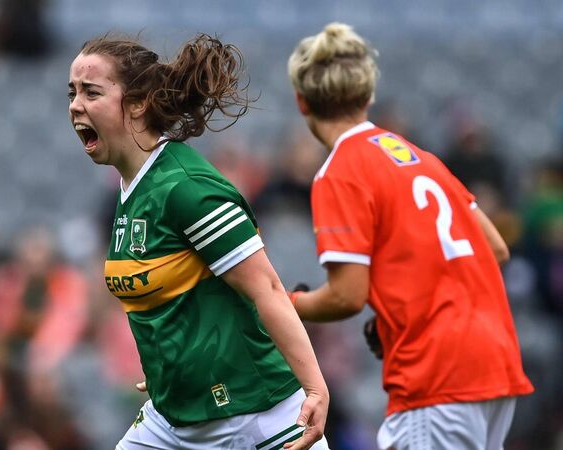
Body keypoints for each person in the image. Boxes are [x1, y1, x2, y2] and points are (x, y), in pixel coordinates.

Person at [68, 33, 330, 450]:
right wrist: (171, 367)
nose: (75, 105)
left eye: (91, 92)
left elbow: (267, 288)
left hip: (256, 417)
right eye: (73, 93)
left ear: (137, 103)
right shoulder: (131, 188)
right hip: (173, 418)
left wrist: (315, 388)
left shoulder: (187, 188)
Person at [286, 22, 534, 450]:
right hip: (495, 362)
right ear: (368, 96)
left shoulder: (340, 171)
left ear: (301, 101)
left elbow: (346, 296)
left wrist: (290, 306)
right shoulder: (421, 157)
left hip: (436, 374)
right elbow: (494, 248)